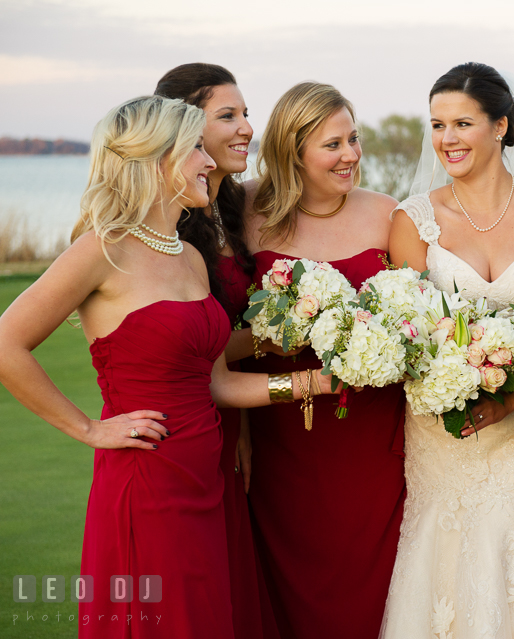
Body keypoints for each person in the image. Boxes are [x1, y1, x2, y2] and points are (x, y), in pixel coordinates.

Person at [0, 95, 335, 639]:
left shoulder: (190, 256)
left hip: (205, 478)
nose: (210, 162)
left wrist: (316, 382)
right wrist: (87, 428)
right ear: (157, 159)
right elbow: (6, 343)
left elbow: (217, 384)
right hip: (146, 479)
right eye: (196, 149)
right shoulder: (101, 250)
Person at [383, 61, 514, 638]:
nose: (447, 139)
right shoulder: (414, 220)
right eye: (437, 125)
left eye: (462, 123)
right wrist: (451, 380)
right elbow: (410, 333)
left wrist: (511, 395)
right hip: (443, 427)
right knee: (439, 544)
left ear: (501, 126)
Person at [242, 81, 406, 639]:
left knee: (378, 579)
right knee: (287, 579)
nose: (352, 155)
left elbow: (419, 317)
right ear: (294, 151)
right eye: (333, 145)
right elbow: (219, 331)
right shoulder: (246, 213)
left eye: (354, 139)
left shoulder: (388, 215)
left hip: (372, 430)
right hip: (280, 431)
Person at [154, 62, 280, 639]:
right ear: (180, 131)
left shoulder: (232, 208)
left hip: (233, 421)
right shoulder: (165, 228)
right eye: (227, 115)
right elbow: (198, 350)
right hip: (188, 429)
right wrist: (299, 330)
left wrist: (247, 428)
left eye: (246, 113)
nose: (246, 128)